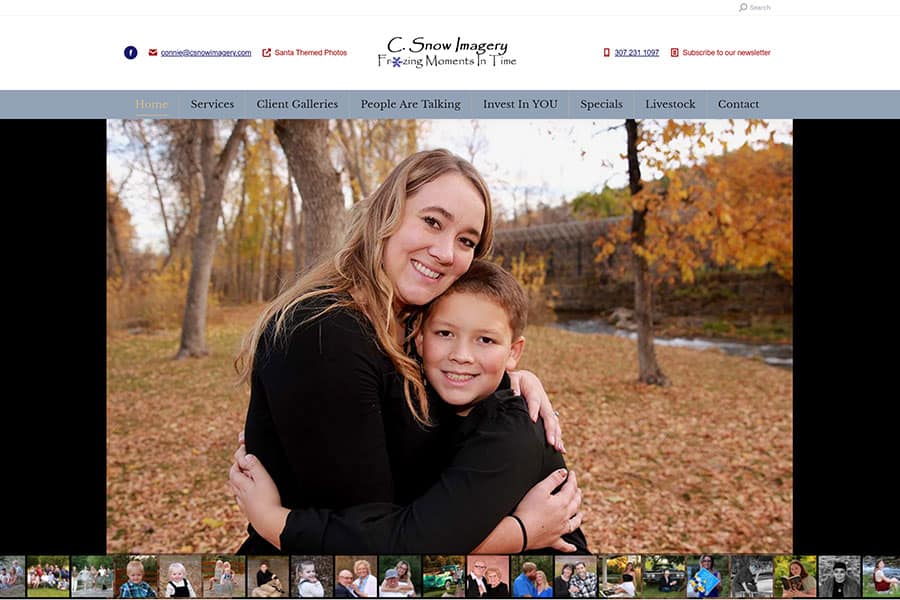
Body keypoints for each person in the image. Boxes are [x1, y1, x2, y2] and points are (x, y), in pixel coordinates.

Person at [229, 149, 579, 554]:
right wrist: (519, 534)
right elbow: (373, 552)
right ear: (386, 215)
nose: (447, 252)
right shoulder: (323, 333)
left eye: (466, 240)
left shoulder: (411, 325)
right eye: (432, 221)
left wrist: (509, 382)